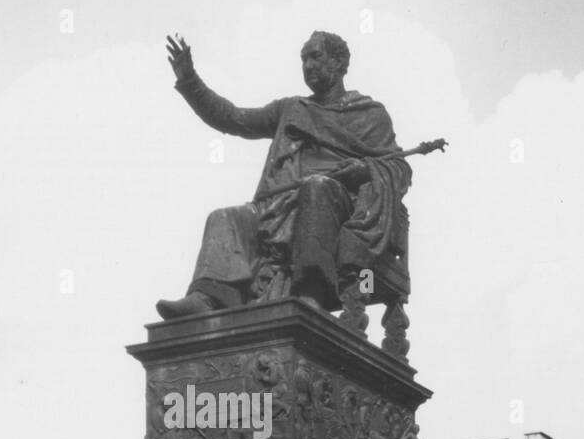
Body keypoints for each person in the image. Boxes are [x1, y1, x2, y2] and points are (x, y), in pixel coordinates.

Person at [157, 32, 412, 333]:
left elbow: (398, 168)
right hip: (279, 207)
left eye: (315, 56)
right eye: (304, 59)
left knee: (315, 188)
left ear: (340, 62)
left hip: (341, 209)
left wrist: (365, 169)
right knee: (225, 216)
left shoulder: (370, 115)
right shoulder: (292, 109)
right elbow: (233, 118)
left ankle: (310, 295)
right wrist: (190, 82)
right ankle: (210, 297)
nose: (308, 65)